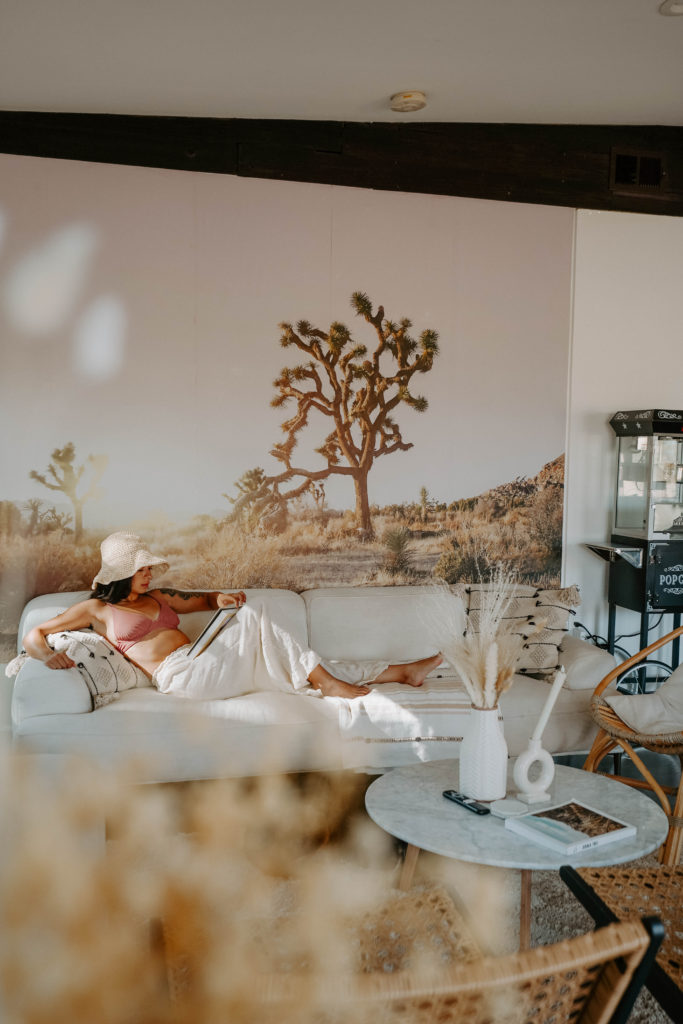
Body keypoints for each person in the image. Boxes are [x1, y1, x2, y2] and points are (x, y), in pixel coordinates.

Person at [24, 532, 442, 701]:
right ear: (121, 573)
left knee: (293, 661)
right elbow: (36, 633)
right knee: (260, 613)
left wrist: (221, 597)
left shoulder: (159, 595)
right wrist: (46, 656)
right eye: (142, 568)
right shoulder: (97, 609)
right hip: (182, 677)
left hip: (209, 664)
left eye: (149, 568)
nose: (150, 573)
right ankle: (333, 686)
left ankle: (399, 673)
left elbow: (199, 601)